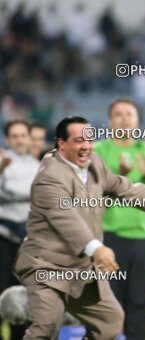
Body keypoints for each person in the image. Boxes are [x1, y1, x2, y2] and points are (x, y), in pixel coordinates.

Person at [13, 116, 145, 339]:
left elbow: (129, 190)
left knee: (109, 323)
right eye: (79, 141)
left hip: (81, 268)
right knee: (47, 326)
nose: (86, 147)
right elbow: (66, 219)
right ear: (61, 144)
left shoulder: (96, 165)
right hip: (47, 266)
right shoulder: (49, 177)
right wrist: (96, 248)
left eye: (89, 140)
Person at [93, 97, 145, 339]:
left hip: (141, 238)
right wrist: (117, 177)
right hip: (108, 237)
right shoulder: (99, 151)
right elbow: (90, 192)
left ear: (137, 120)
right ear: (109, 121)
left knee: (140, 303)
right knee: (108, 306)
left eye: (129, 114)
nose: (124, 118)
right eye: (118, 114)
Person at [0, 120, 39, 339]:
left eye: (23, 135)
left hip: (28, 241)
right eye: (14, 136)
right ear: (7, 140)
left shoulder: (38, 166)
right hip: (3, 237)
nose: (19, 140)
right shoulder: (2, 163)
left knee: (23, 298)